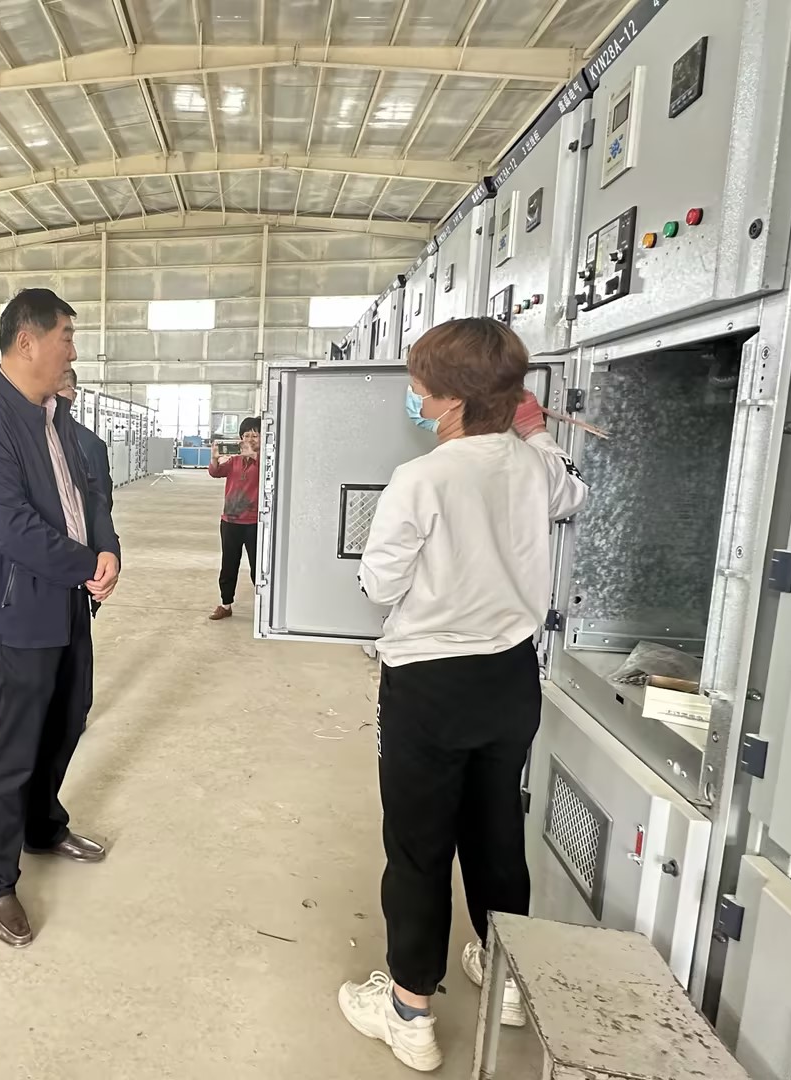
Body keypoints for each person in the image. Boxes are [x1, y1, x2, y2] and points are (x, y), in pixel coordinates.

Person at [337, 318, 589, 1073]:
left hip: (430, 681)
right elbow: (573, 491)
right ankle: (505, 976)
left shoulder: (423, 478)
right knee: (495, 828)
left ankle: (409, 1011)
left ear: (451, 401)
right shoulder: (536, 466)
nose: (415, 398)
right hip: (509, 677)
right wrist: (534, 430)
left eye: (421, 387)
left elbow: (379, 583)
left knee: (419, 844)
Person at [0, 288, 122, 948]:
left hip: (70, 596)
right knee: (16, 742)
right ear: (28, 341)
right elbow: (10, 526)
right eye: (66, 338)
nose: (72, 351)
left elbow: (91, 494)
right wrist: (84, 563)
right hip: (18, 606)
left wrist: (106, 550)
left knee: (69, 715)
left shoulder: (56, 415)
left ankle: (43, 827)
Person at [207, 416, 261, 621]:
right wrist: (214, 458)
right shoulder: (235, 461)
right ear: (240, 438)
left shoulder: (266, 461)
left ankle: (264, 607)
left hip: (255, 523)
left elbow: (271, 474)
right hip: (230, 521)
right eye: (246, 435)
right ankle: (225, 604)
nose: (250, 439)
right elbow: (216, 472)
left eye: (255, 435)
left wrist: (254, 456)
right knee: (229, 565)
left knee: (258, 567)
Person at [56, 367, 113, 511]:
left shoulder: (91, 445)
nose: (54, 395)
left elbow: (102, 503)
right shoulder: (29, 439)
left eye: (62, 387)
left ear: (73, 396)